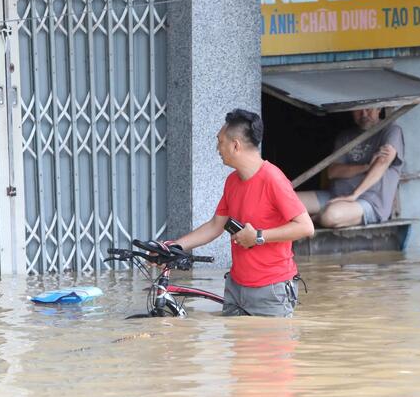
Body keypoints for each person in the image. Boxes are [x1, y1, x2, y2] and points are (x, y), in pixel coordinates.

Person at [168, 109, 314, 317]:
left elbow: (306, 227)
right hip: (236, 288)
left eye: (220, 142)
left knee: (269, 350)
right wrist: (174, 246)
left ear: (235, 145)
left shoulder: (273, 179)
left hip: (272, 291)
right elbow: (215, 225)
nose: (217, 148)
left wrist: (259, 237)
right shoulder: (232, 181)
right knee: (239, 348)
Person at [296, 107, 404, 228]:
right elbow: (332, 172)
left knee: (331, 215)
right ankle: (310, 218)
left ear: (379, 109)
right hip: (336, 196)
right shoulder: (345, 136)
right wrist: (367, 166)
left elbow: (382, 163)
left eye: (368, 110)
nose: (363, 114)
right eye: (358, 110)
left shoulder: (391, 130)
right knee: (287, 201)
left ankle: (312, 219)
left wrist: (354, 195)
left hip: (368, 201)